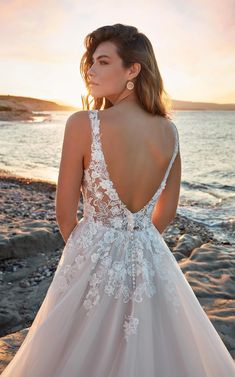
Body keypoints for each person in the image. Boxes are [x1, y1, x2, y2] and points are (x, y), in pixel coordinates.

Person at [1, 23, 235, 377]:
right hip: (151, 257)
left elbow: (65, 214)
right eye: (91, 63)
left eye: (103, 62)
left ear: (133, 69)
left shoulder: (83, 123)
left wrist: (95, 254)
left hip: (92, 253)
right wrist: (134, 244)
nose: (92, 71)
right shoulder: (170, 131)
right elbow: (166, 212)